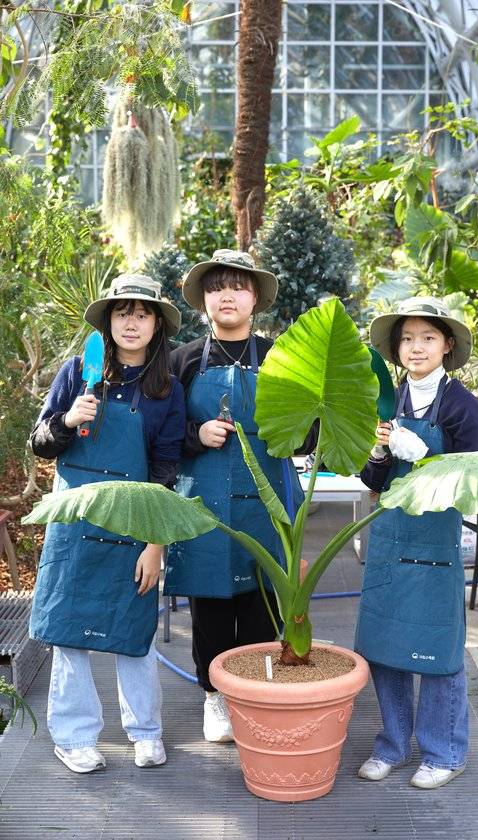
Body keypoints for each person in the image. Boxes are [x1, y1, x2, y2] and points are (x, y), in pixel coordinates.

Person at [30, 274, 185, 774]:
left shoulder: (167, 390)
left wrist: (155, 544)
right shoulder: (78, 372)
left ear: (157, 324)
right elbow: (40, 443)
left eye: (142, 313)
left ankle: (145, 732)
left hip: (134, 524)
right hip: (74, 521)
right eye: (122, 312)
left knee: (132, 630)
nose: (132, 322)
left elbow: (166, 472)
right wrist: (68, 420)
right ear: (108, 322)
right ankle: (74, 737)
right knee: (69, 632)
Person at [164, 249, 309, 743]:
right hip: (203, 505)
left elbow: (309, 436)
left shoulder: (279, 360)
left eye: (238, 286)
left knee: (260, 603)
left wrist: (288, 430)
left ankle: (254, 695)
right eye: (216, 286)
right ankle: (214, 698)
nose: (227, 295)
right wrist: (194, 434)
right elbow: (161, 434)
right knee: (209, 608)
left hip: (267, 503)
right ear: (204, 299)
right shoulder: (181, 361)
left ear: (255, 299)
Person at [355, 296, 478, 790]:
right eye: (407, 339)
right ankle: (392, 744)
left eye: (427, 338)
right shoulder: (389, 399)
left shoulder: (463, 407)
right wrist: (379, 449)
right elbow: (371, 479)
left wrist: (424, 456)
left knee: (438, 653)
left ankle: (444, 752)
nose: (416, 347)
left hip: (434, 546)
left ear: (446, 345)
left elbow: (473, 485)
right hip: (390, 540)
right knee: (384, 647)